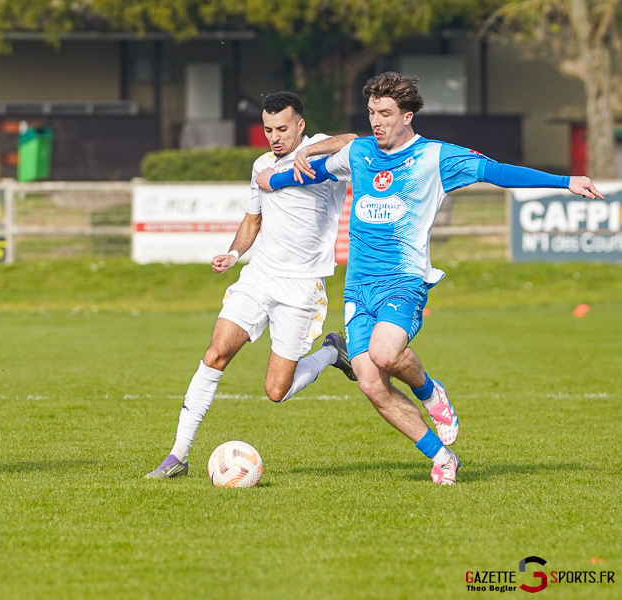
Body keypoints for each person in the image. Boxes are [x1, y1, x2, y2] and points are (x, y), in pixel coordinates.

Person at [256, 72, 603, 485]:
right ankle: (441, 457)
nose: (376, 121)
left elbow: (497, 172)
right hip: (358, 285)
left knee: (385, 355)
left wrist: (565, 181)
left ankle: (429, 392)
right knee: (369, 381)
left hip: (404, 278)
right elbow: (314, 173)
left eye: (385, 113)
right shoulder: (359, 153)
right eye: (371, 113)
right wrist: (272, 180)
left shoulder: (435, 157)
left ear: (407, 116)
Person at [146, 92, 357, 479]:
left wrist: (308, 155)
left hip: (301, 288)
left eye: (282, 128)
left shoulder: (323, 155)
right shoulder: (260, 165)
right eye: (268, 129)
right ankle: (177, 456)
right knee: (214, 354)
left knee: (277, 390)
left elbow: (357, 142)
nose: (274, 137)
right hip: (258, 278)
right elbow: (252, 222)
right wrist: (233, 253)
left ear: (300, 125)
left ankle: (331, 352)